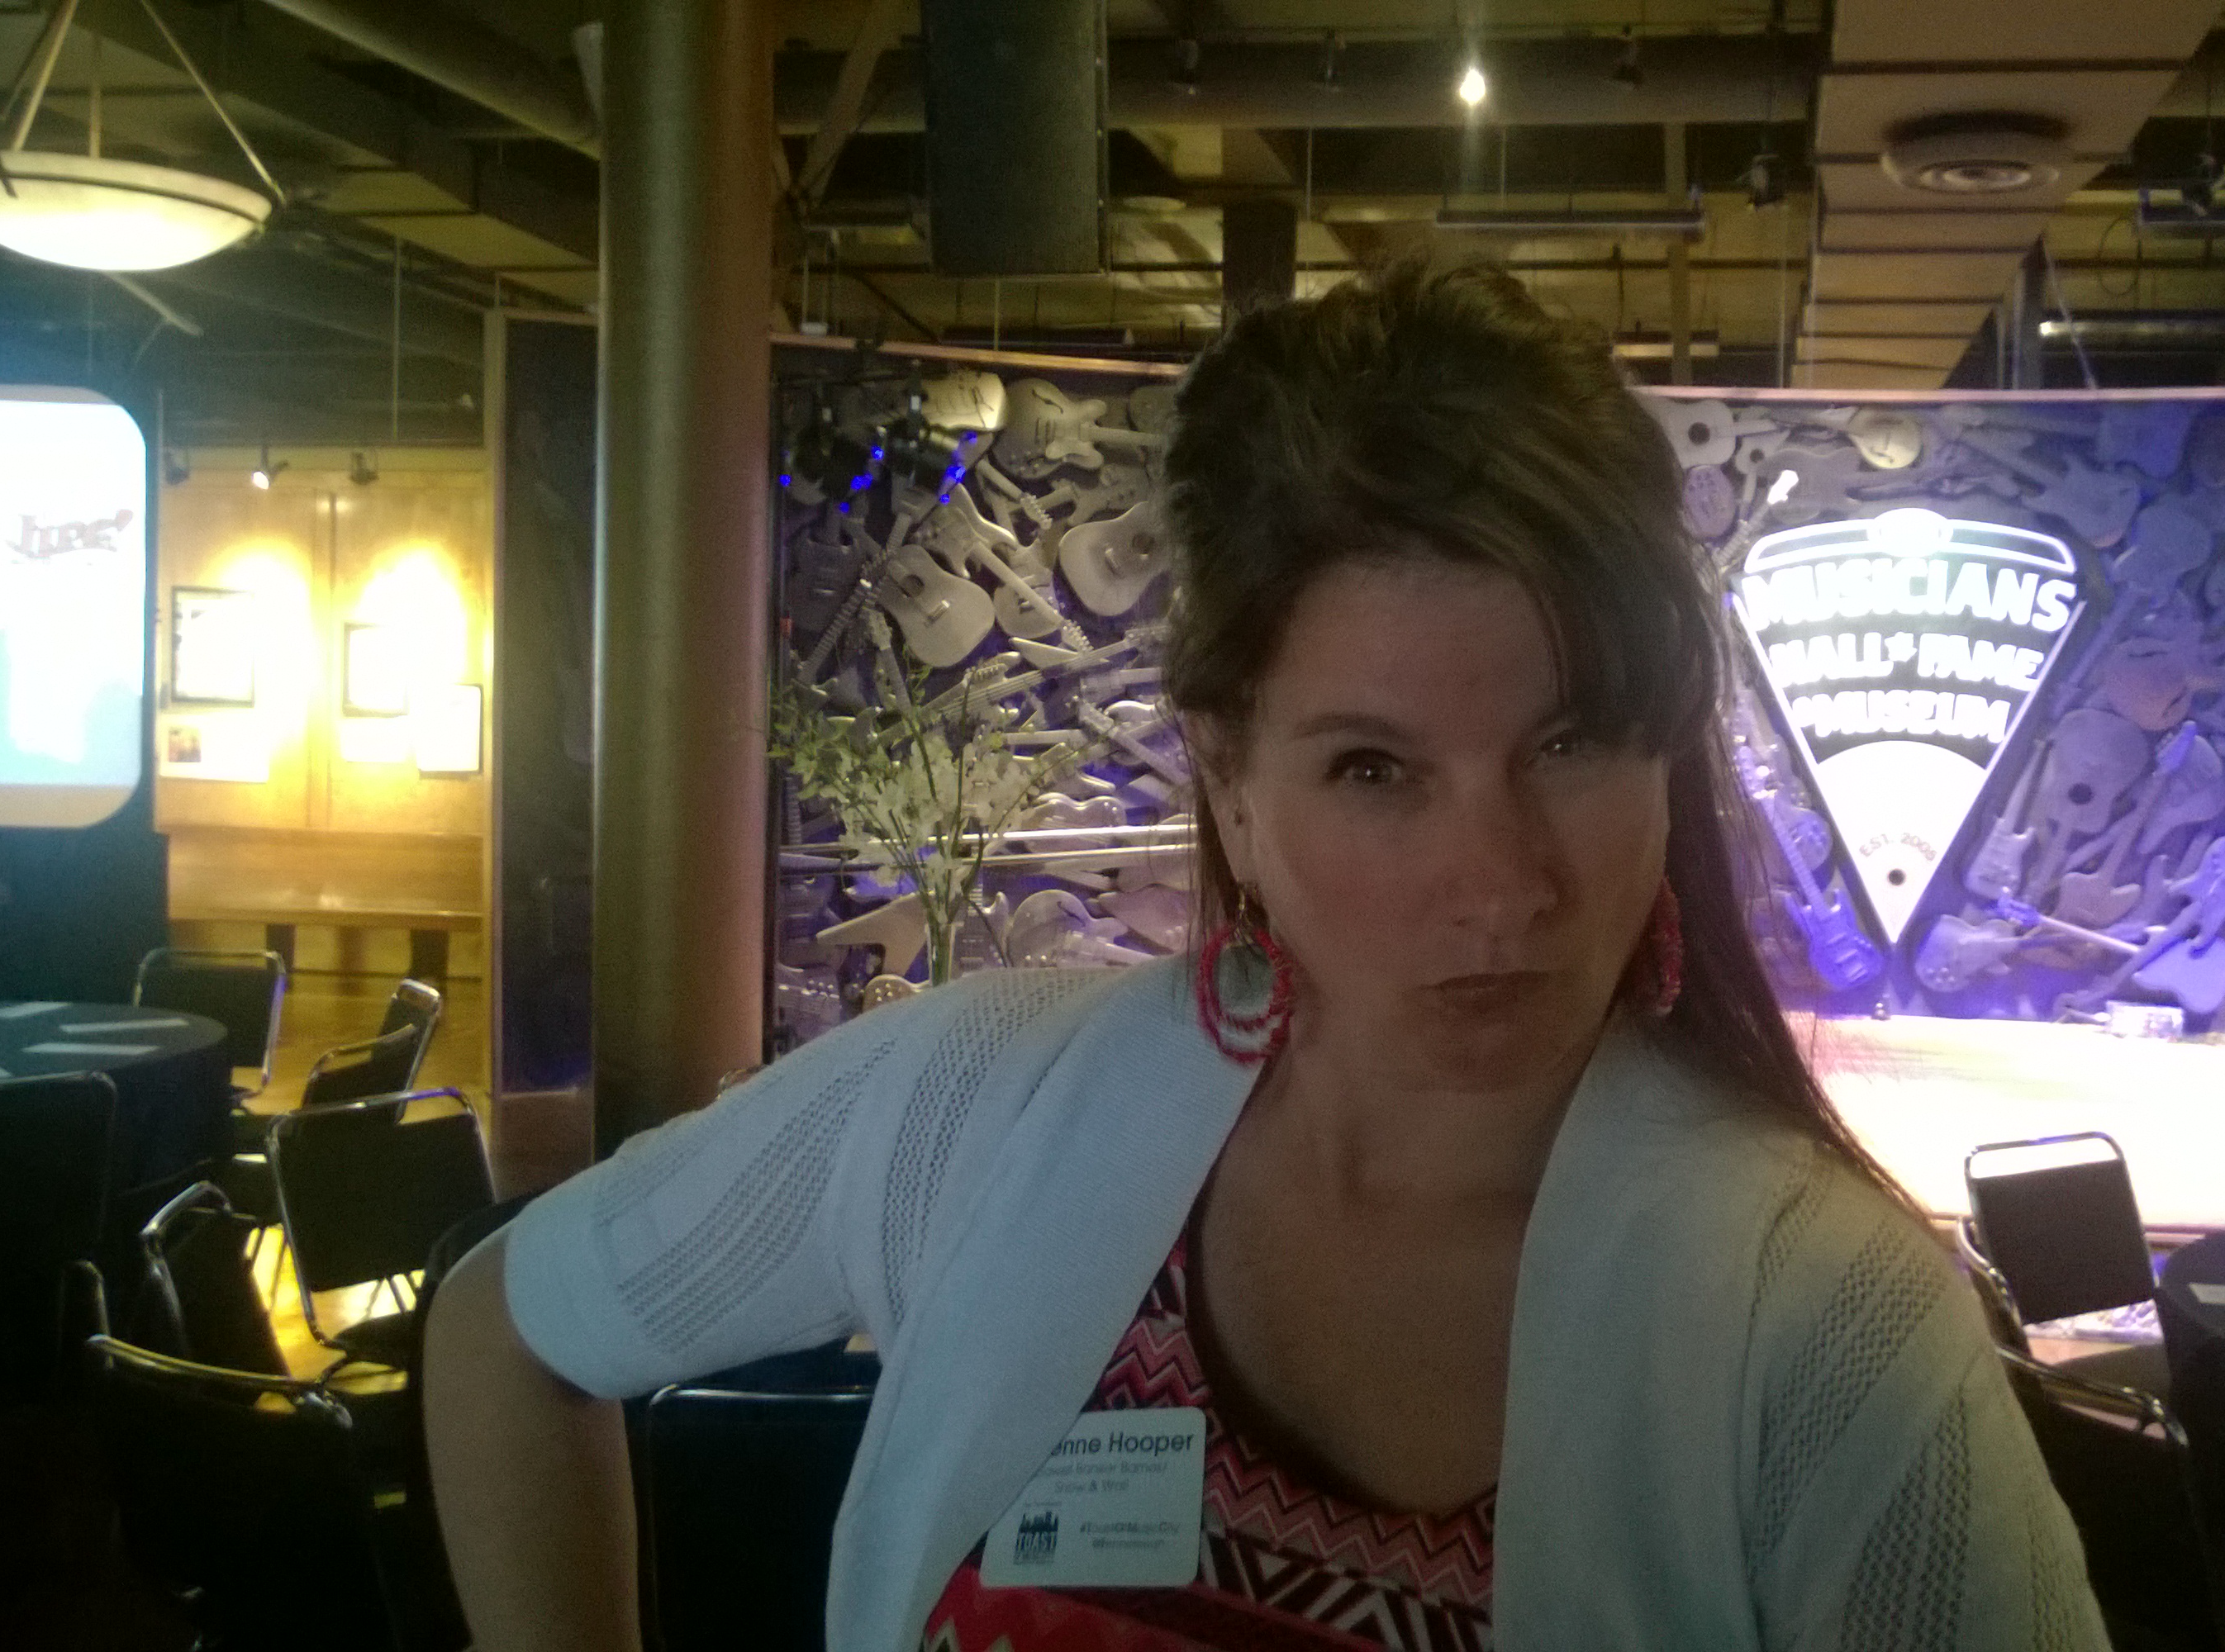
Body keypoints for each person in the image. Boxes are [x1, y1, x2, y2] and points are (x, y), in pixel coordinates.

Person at [426, 261, 2104, 1651]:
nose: (1501, 886)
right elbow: (509, 1331)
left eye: (1573, 740)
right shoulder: (976, 1108)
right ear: (1229, 774)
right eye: (1375, 769)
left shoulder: (1828, 1330)